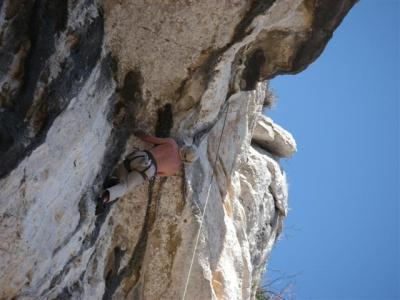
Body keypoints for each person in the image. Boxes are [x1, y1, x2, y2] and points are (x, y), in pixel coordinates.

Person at [96, 131, 198, 214]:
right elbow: (158, 173)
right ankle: (104, 198)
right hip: (149, 170)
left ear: (185, 148)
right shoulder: (175, 168)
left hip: (142, 156)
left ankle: (111, 183)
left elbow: (149, 138)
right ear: (186, 161)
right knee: (125, 186)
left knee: (121, 171)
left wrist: (137, 132)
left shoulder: (171, 143)